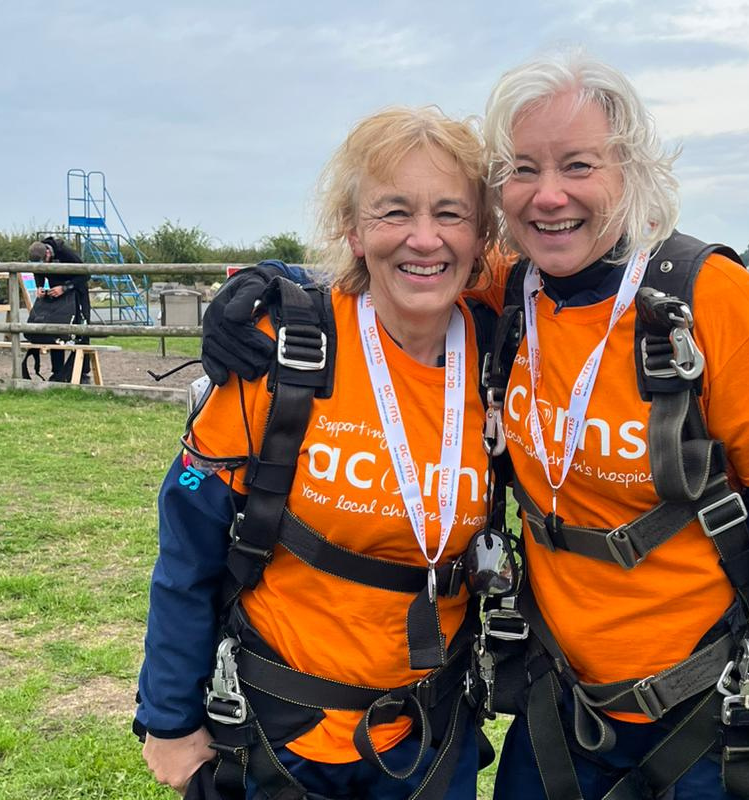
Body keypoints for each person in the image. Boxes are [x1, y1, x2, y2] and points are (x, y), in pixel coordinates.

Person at [467, 54, 749, 800]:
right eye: (522, 169)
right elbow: (397, 266)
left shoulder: (716, 305)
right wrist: (274, 287)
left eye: (578, 164)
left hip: (706, 723)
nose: (549, 195)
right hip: (561, 712)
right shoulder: (506, 294)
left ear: (631, 172)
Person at [135, 107, 498, 799]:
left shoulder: (500, 353)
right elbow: (187, 549)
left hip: (432, 738)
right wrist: (168, 720)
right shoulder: (281, 347)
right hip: (281, 738)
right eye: (394, 212)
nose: (425, 239)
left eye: (450, 213)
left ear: (482, 235)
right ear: (353, 229)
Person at [28, 236, 92, 383]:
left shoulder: (66, 253)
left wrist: (65, 288)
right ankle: (57, 371)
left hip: (76, 292)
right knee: (55, 330)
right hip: (56, 294)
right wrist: (39, 286)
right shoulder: (41, 257)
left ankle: (82, 372)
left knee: (81, 331)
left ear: (48, 254)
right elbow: (38, 272)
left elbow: (85, 274)